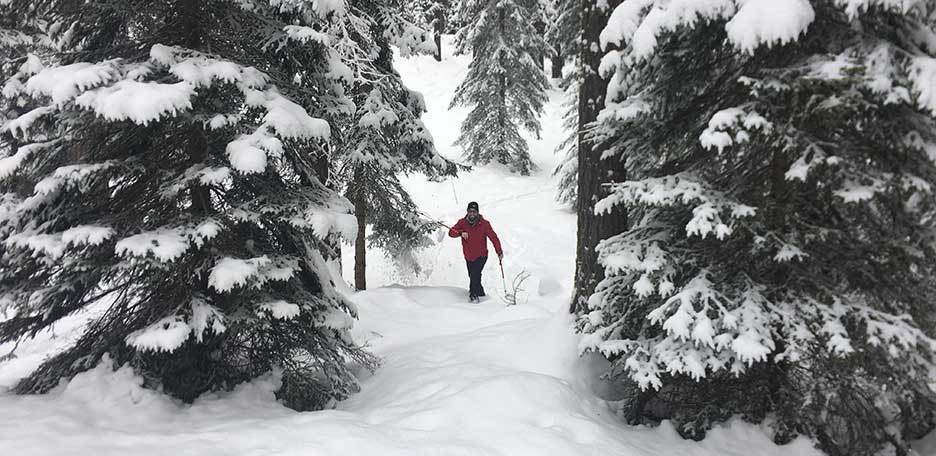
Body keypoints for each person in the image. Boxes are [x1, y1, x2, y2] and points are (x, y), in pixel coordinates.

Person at [448, 201, 503, 302]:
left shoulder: (484, 224)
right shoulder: (462, 223)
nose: (472, 213)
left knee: (474, 275)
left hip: (481, 256)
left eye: (474, 211)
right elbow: (451, 233)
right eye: (470, 211)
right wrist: (460, 233)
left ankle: (473, 297)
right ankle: (481, 293)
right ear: (467, 212)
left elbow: (493, 238)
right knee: (473, 276)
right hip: (468, 256)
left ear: (477, 212)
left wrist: (499, 252)